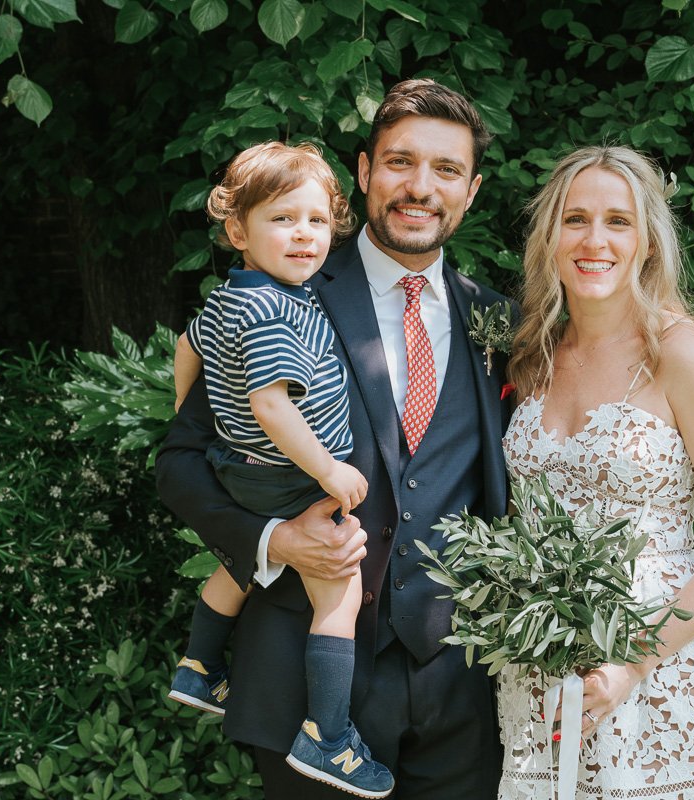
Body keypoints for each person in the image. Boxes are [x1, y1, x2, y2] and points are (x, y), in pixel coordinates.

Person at [156, 79, 510, 799]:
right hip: (301, 686)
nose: (419, 187)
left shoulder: (500, 322)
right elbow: (180, 464)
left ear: (470, 190)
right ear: (363, 171)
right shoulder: (284, 290)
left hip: (461, 693)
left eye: (445, 170)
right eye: (399, 163)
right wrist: (275, 541)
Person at [497, 146, 694, 799]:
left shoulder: (683, 353)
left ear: (648, 241)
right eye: (575, 219)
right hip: (541, 667)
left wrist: (633, 659)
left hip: (663, 662)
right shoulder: (530, 354)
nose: (595, 239)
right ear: (549, 237)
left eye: (618, 221)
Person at [165, 141, 396, 797]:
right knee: (339, 591)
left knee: (239, 564)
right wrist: (327, 470)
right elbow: (272, 404)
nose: (304, 235)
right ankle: (327, 736)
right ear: (238, 230)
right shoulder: (274, 311)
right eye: (282, 219)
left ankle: (197, 665)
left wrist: (189, 408)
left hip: (241, 467)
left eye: (317, 221)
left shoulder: (233, 298)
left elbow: (188, 348)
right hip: (288, 473)